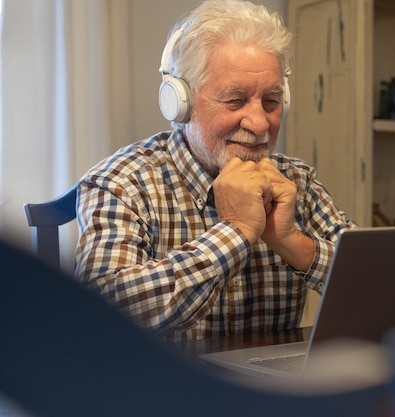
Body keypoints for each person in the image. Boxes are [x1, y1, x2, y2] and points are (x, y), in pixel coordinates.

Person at [75, 0, 355, 341]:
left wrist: (294, 243)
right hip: (163, 390)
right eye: (234, 101)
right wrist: (235, 232)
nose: (259, 123)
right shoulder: (120, 183)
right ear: (181, 103)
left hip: (273, 391)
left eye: (271, 101)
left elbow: (384, 287)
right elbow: (99, 317)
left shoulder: (298, 182)